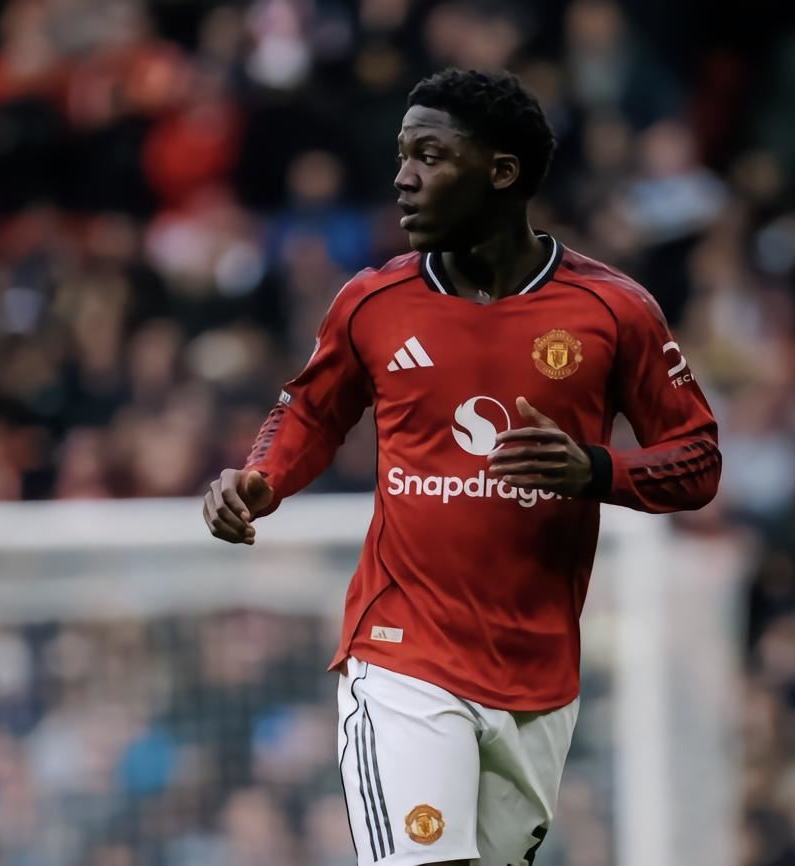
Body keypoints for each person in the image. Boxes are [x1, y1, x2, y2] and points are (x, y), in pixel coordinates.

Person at [202, 68, 721, 866]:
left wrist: (595, 471)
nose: (402, 177)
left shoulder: (613, 310)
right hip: (400, 649)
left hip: (536, 673)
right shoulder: (371, 302)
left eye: (430, 155)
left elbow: (698, 460)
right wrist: (260, 478)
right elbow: (310, 410)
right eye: (401, 154)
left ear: (500, 172)